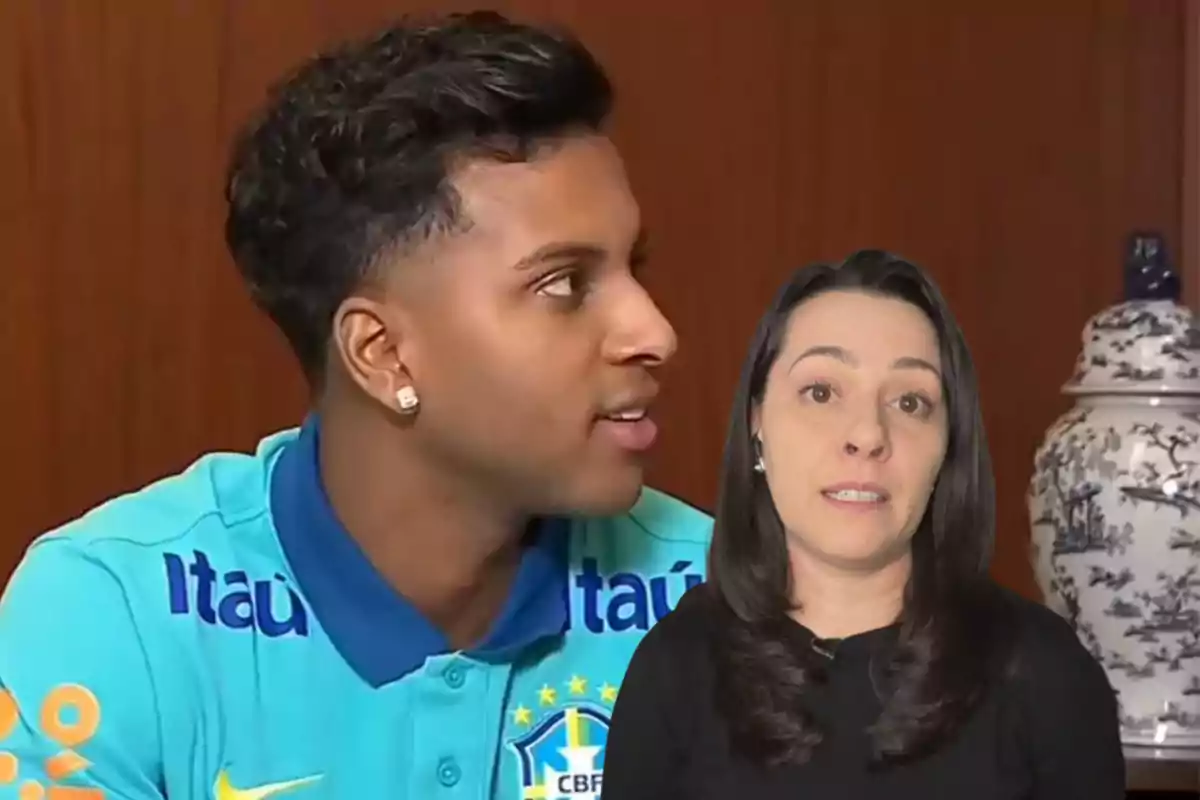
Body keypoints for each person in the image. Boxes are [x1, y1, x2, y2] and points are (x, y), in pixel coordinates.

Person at [0, 11, 711, 799]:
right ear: (382, 354)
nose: (654, 332)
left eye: (631, 269)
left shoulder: (728, 604)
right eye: (564, 284)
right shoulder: (114, 615)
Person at [601, 251, 1126, 799]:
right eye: (822, 392)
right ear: (757, 421)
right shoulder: (675, 670)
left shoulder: (1045, 676)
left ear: (948, 445)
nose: (868, 434)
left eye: (910, 401)